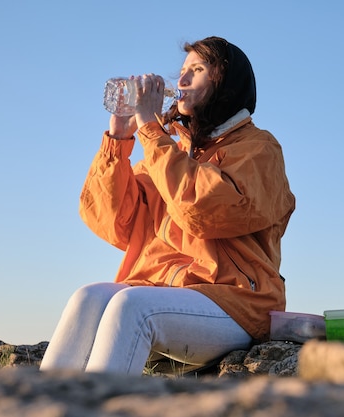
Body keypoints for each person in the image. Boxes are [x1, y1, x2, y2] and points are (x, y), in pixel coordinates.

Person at [40, 36, 296, 375]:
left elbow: (203, 212)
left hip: (236, 302)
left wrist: (150, 131)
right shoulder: (169, 151)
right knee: (87, 297)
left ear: (225, 83)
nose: (182, 81)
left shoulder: (259, 149)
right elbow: (113, 223)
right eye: (182, 71)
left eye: (198, 69)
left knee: (131, 307)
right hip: (165, 291)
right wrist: (118, 140)